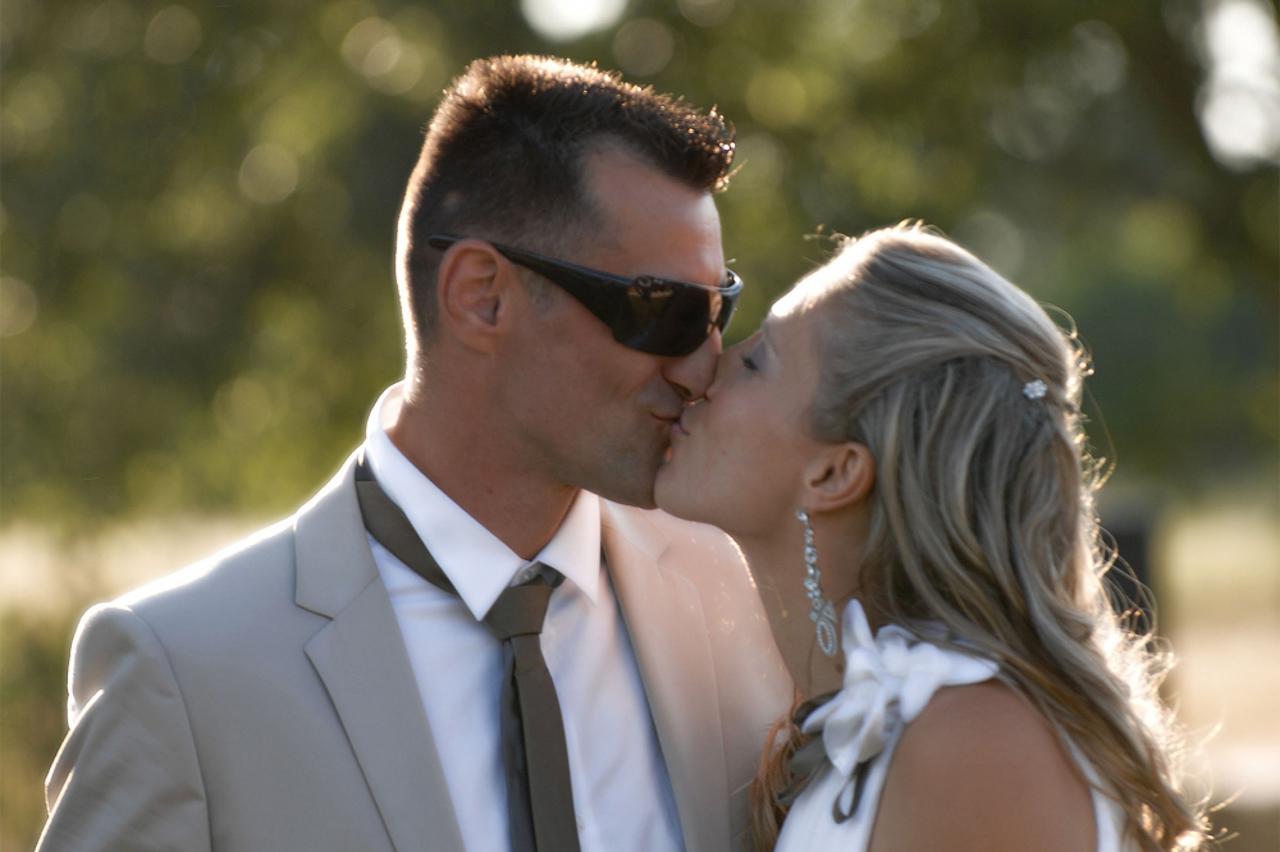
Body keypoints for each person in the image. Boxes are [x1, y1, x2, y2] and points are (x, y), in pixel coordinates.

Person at [39, 55, 792, 852]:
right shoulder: (182, 671)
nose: (703, 367)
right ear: (481, 296)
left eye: (718, 310)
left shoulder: (747, 592)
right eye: (664, 312)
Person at [655, 223, 1210, 851]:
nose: (709, 370)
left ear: (835, 473)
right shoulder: (885, 721)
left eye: (758, 361)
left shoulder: (973, 746)